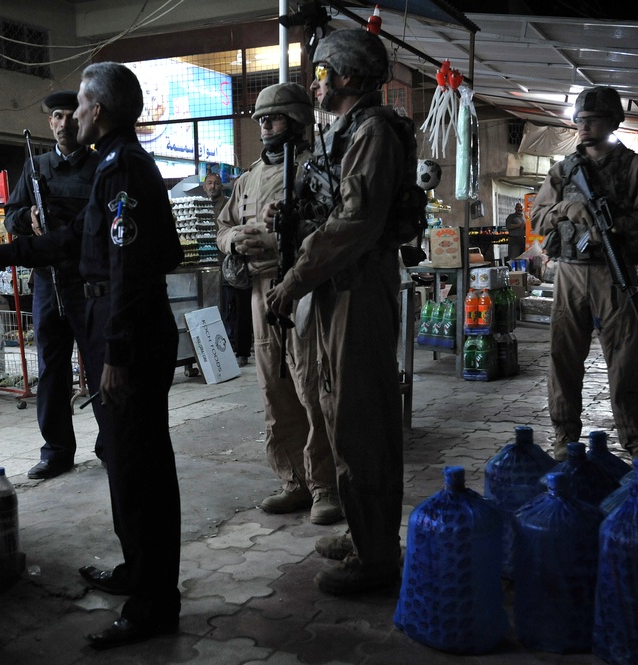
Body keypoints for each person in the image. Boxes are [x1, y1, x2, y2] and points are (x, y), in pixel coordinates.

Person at [0, 62, 184, 649]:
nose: (71, 116)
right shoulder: (113, 166)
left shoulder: (123, 169)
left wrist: (117, 352)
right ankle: (137, 572)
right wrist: (0, 254)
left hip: (125, 330)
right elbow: (76, 241)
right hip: (113, 321)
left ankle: (154, 603)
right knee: (124, 459)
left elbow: (128, 267)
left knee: (139, 466)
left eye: (78, 105)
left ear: (97, 111)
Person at [265, 29, 406, 596]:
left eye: (321, 72)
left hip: (357, 290)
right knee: (336, 410)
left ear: (346, 77)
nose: (315, 82)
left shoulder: (372, 132)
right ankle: (366, 532)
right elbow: (331, 208)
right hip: (336, 291)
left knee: (361, 420)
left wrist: (294, 280)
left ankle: (376, 558)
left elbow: (353, 225)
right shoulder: (344, 132)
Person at [215, 83, 341, 526]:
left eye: (275, 118)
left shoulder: (318, 169)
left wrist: (288, 231)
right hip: (258, 290)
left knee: (312, 388)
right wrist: (235, 239)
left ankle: (325, 484)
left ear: (298, 120)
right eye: (262, 120)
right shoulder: (247, 178)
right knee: (274, 389)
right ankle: (294, 481)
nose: (266, 126)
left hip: (303, 290)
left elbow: (335, 228)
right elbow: (224, 226)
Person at [532, 85, 638, 461]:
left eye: (593, 121)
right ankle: (564, 437)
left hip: (614, 270)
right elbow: (538, 216)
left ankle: (637, 440)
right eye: (580, 121)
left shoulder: (634, 167)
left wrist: (615, 226)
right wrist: (567, 211)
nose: (584, 127)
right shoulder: (563, 170)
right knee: (563, 357)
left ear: (613, 122)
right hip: (570, 273)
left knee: (624, 359)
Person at [4, 90, 97, 480]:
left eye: (70, 115)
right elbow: (10, 218)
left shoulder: (99, 166)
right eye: (56, 117)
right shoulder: (35, 167)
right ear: (50, 123)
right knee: (52, 371)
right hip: (46, 282)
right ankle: (57, 451)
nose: (63, 124)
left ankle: (110, 444)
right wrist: (29, 219)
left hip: (88, 283)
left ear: (83, 118)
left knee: (99, 365)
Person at [207, 171, 252, 367]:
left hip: (237, 264)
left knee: (241, 308)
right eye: (209, 183)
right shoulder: (207, 207)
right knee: (224, 308)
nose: (213, 186)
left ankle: (241, 350)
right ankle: (225, 347)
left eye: (216, 183)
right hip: (217, 265)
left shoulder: (229, 204)